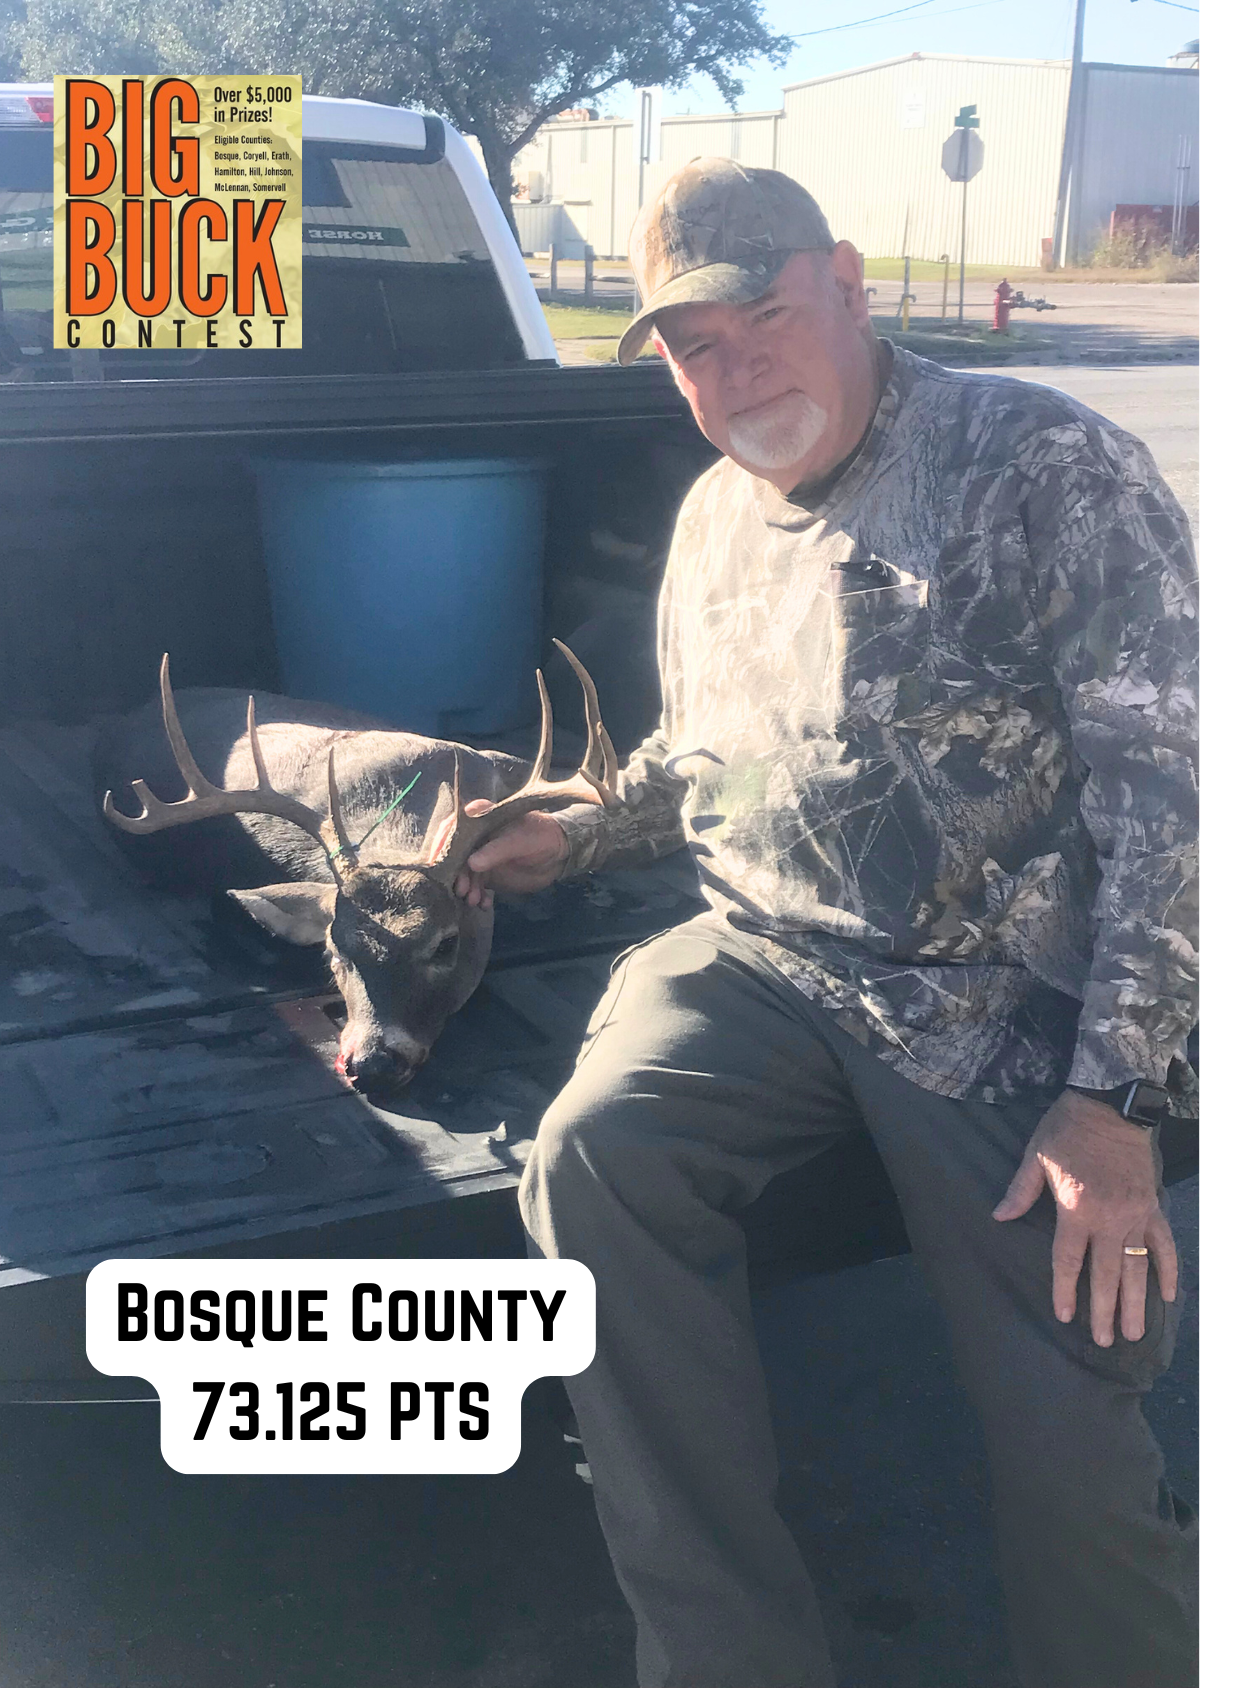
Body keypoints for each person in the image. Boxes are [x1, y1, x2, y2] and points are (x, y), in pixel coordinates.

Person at [455, 159, 1198, 1688]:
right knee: (594, 1157)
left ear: (847, 285)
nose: (733, 373)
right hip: (765, 958)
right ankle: (726, 1659)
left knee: (1068, 1416)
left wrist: (1112, 1096)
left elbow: (1173, 793)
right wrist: (576, 834)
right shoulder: (715, 517)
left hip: (993, 998)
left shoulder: (1039, 465)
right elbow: (704, 758)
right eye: (689, 347)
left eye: (763, 319)